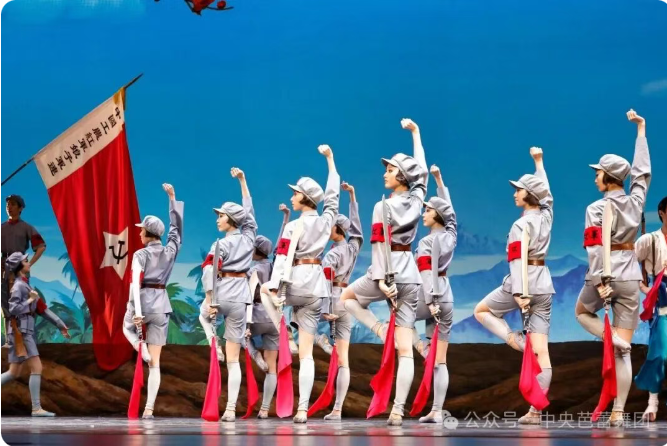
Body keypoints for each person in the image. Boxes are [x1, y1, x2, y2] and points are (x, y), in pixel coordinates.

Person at [340, 118, 428, 426]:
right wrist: (416, 134)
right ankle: (398, 409)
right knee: (405, 349)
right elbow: (422, 172)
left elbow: (380, 245)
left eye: (390, 170)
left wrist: (380, 280)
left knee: (347, 298)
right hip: (410, 275)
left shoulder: (383, 206)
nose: (384, 173)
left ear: (402, 176)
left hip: (388, 271)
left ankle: (378, 329)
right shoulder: (417, 199)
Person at [574, 110, 651, 427]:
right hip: (630, 276)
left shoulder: (595, 208)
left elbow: (595, 247)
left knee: (581, 312)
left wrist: (600, 281)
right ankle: (618, 411)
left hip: (606, 273)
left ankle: (613, 339)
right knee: (624, 353)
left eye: (598, 173)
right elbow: (642, 174)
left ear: (609, 178)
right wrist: (641, 131)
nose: (595, 177)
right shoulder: (635, 202)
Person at [473, 147, 554, 425]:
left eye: (519, 190)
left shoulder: (521, 225)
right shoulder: (546, 217)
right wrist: (539, 163)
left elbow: (516, 260)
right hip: (544, 283)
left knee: (481, 311)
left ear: (529, 194)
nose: (515, 193)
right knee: (541, 352)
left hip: (524, 281)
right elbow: (548, 196)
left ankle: (515, 340)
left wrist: (519, 292)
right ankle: (535, 412)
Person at [260, 145, 340, 424]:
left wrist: (275, 288)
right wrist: (331, 161)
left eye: (295, 193)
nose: (292, 197)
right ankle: (303, 409)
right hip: (316, 287)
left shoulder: (293, 226)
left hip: (295, 282)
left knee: (263, 290)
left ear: (304, 198)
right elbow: (333, 197)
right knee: (307, 355)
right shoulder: (326, 221)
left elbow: (282, 258)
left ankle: (284, 332)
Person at [122, 184, 184, 419]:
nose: (139, 234)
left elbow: (134, 285)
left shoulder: (140, 254)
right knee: (155, 363)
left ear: (148, 234)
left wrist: (137, 313)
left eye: (141, 231)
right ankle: (149, 408)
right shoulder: (170, 251)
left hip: (143, 302)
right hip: (161, 305)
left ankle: (140, 347)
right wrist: (172, 198)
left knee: (126, 327)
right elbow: (176, 230)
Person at [201, 168, 257, 422]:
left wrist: (210, 300)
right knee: (234, 361)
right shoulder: (249, 238)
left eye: (221, 215)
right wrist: (243, 181)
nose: (218, 219)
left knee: (203, 315)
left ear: (231, 220)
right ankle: (231, 409)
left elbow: (208, 272)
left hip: (221, 294)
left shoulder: (220, 244)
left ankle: (213, 340)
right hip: (240, 298)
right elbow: (249, 212)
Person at [313, 181, 363, 420]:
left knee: (298, 321)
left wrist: (324, 308)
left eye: (331, 226)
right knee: (344, 360)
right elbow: (358, 231)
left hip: (332, 299)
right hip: (347, 300)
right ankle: (338, 409)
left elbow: (325, 281)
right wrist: (352, 197)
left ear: (338, 230)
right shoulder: (352, 248)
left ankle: (321, 341)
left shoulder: (332, 254)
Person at [412, 164, 457, 424]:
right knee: (441, 360)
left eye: (428, 210)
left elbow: (426, 273)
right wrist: (440, 181)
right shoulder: (450, 236)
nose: (423, 213)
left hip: (431, 294)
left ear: (437, 215)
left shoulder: (427, 242)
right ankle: (437, 410)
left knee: (400, 320)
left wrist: (430, 301)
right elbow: (451, 215)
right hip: (447, 294)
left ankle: (422, 347)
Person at [0, 252, 69, 416]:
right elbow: (14, 309)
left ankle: (36, 408)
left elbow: (42, 309)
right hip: (22, 333)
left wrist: (60, 324)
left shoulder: (25, 285)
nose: (28, 262)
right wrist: (29, 300)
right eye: (25, 261)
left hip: (22, 331)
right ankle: (36, 408)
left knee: (14, 372)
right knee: (36, 367)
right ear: (19, 266)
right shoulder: (19, 286)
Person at [634, 196, 667, 422]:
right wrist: (644, 288)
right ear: (662, 213)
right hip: (661, 298)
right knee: (660, 353)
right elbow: (629, 264)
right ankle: (652, 401)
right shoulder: (650, 240)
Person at [2, 195, 46, 343]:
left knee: (21, 303)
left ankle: (25, 342)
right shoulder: (1, 228)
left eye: (13, 204)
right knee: (5, 304)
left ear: (20, 208)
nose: (9, 207)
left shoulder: (27, 227)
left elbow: (41, 246)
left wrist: (29, 264)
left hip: (20, 269)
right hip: (4, 267)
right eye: (7, 204)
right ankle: (10, 341)